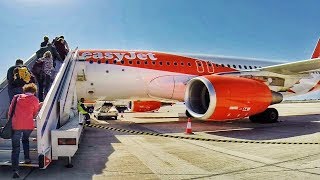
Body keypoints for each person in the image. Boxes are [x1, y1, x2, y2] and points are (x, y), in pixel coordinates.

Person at [8, 83, 41, 178]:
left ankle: (16, 170)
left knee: (15, 148)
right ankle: (27, 158)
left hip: (16, 125)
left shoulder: (16, 97)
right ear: (34, 91)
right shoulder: (35, 100)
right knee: (25, 140)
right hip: (28, 125)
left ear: (24, 90)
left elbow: (10, 111)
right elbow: (35, 113)